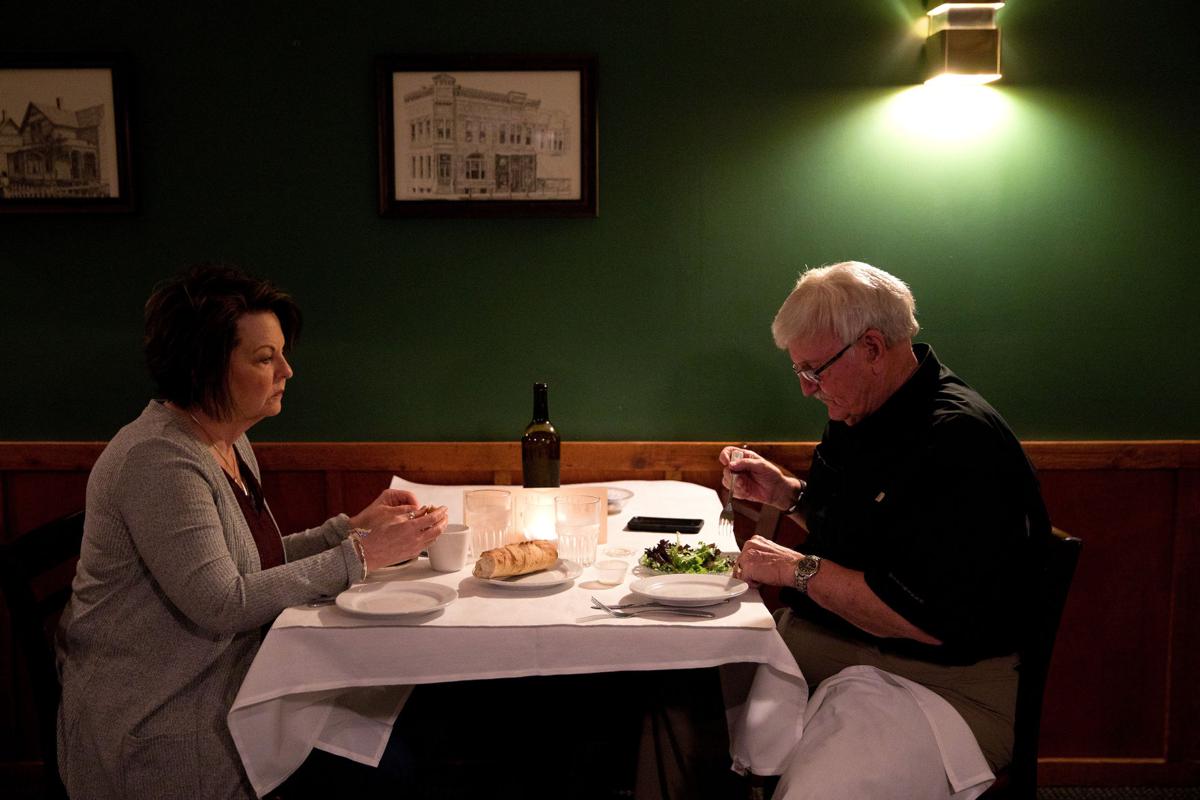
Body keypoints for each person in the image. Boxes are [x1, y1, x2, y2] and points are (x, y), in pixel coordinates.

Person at [56, 263, 448, 799]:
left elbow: (248, 562)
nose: (287, 370)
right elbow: (222, 601)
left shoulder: (226, 438)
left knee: (407, 728)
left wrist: (350, 529)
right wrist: (359, 555)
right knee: (393, 764)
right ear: (204, 367)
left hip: (237, 682)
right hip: (164, 722)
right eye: (265, 358)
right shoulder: (159, 459)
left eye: (282, 353)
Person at [723, 261, 1049, 799]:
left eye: (813, 371)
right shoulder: (863, 410)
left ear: (871, 348)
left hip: (942, 681)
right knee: (680, 691)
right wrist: (786, 494)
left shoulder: (956, 440)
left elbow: (921, 614)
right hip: (851, 644)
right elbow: (863, 528)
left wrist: (795, 567)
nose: (807, 390)